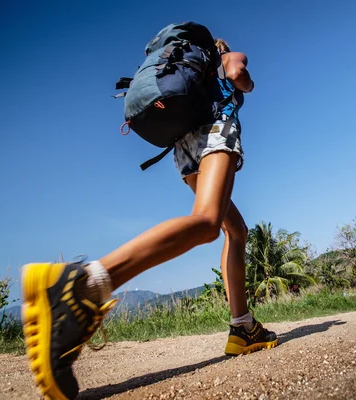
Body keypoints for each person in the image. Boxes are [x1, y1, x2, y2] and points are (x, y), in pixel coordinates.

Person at [20, 37, 277, 400]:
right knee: (206, 222)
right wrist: (246, 82)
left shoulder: (190, 72)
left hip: (183, 143)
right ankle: (82, 286)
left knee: (234, 228)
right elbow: (238, 74)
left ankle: (243, 328)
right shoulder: (226, 55)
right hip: (214, 128)